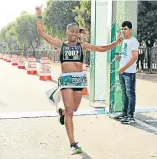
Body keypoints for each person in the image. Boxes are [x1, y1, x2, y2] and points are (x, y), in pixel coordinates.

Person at [35, 5, 123, 155]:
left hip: (79, 81)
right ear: (67, 32)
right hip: (66, 81)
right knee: (70, 111)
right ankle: (72, 144)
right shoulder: (60, 45)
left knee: (73, 109)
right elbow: (42, 33)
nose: (74, 34)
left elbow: (101, 49)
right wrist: (39, 14)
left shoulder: (83, 46)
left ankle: (62, 113)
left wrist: (116, 42)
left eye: (76, 31)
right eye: (71, 31)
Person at [114, 21, 140, 124]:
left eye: (125, 29)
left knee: (130, 94)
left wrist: (123, 68)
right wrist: (119, 57)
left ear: (130, 29)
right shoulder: (125, 41)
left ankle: (130, 116)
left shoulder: (133, 41)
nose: (123, 31)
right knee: (124, 94)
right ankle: (124, 113)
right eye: (122, 29)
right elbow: (127, 55)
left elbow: (135, 57)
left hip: (129, 72)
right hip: (123, 71)